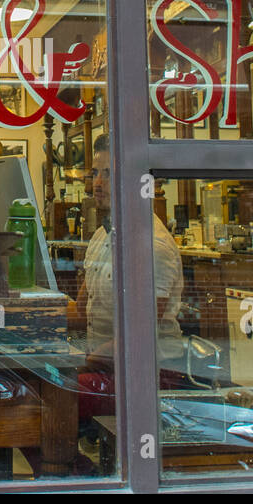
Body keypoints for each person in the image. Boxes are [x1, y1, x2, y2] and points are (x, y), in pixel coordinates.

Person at [72, 132, 185, 429]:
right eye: (95, 173)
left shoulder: (152, 246)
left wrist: (77, 362)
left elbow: (137, 339)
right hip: (103, 365)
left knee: (50, 397)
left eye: (109, 174)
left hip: (145, 373)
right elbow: (80, 308)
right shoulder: (102, 235)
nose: (97, 183)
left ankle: (78, 469)